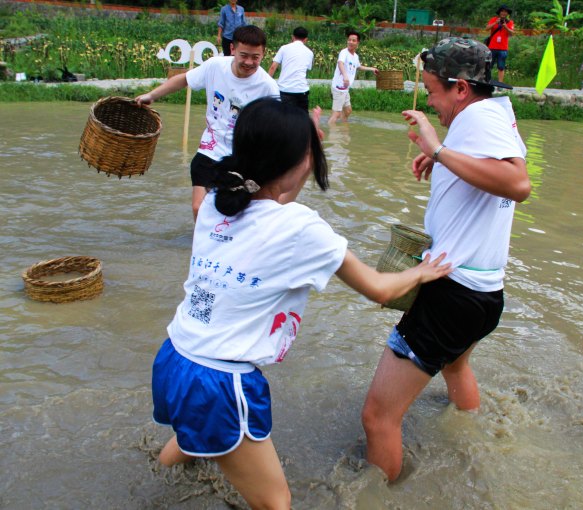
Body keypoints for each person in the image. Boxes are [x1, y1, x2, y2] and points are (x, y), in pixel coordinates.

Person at [151, 97, 452, 509]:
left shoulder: (215, 204)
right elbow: (381, 289)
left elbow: (267, 209)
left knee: (191, 440)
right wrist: (421, 272)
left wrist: (298, 143)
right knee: (277, 503)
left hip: (176, 355)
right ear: (302, 159)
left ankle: (151, 489)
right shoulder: (301, 227)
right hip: (220, 381)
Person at [361, 37, 531, 482]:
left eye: (432, 90)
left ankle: (382, 494)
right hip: (484, 294)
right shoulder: (493, 113)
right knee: (456, 365)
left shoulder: (475, 118)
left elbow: (518, 183)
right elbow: (490, 175)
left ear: (460, 88)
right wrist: (445, 164)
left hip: (452, 297)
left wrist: (437, 149)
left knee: (378, 418)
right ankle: (474, 440)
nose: (431, 101)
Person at [135, 26, 279, 221]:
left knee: (235, 215)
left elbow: (275, 128)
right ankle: (201, 247)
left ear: (263, 54)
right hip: (210, 149)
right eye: (244, 55)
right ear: (232, 49)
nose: (249, 62)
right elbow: (183, 80)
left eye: (256, 57)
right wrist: (151, 95)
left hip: (241, 157)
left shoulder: (267, 86)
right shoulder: (215, 66)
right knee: (199, 209)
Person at [328, 30, 379, 125]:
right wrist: (345, 76)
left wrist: (372, 69)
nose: (350, 42)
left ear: (357, 43)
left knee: (348, 110)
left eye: (353, 40)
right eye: (349, 40)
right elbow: (340, 63)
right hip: (339, 87)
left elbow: (358, 66)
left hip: (345, 88)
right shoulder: (344, 52)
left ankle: (343, 128)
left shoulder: (355, 56)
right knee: (337, 114)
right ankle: (332, 134)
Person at [268, 26, 314, 112]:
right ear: (305, 39)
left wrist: (266, 83)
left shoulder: (284, 48)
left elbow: (273, 67)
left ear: (292, 37)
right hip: (302, 91)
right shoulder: (309, 52)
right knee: (302, 120)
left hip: (285, 90)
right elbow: (307, 69)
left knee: (284, 119)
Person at [485, 4, 514, 83]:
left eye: (505, 12)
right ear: (499, 12)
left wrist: (505, 27)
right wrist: (495, 23)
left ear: (507, 13)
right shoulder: (494, 19)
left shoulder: (510, 22)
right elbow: (487, 28)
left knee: (501, 67)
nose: (503, 13)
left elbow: (512, 33)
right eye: (502, 11)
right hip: (492, 47)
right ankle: (487, 81)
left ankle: (500, 83)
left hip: (503, 48)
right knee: (489, 66)